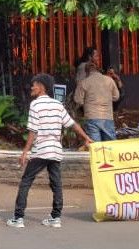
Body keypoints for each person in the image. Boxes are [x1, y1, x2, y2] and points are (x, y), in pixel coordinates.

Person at [7, 73, 93, 229]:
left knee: (26, 181)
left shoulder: (35, 105)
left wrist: (25, 151)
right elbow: (72, 124)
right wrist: (85, 137)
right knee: (56, 183)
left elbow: (33, 131)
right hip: (55, 151)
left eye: (34, 85)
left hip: (41, 150)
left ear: (41, 87)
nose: (31, 87)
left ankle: (18, 218)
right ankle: (56, 217)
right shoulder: (57, 105)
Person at [74, 62, 120, 142]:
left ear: (86, 72)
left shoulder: (84, 82)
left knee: (95, 147)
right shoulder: (109, 80)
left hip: (91, 117)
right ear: (98, 69)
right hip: (107, 117)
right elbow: (116, 97)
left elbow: (78, 100)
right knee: (110, 146)